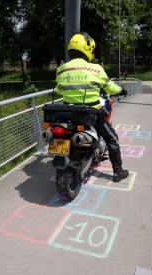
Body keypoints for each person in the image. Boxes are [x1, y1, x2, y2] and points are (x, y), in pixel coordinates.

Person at [55, 31, 129, 182]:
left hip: (68, 114)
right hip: (91, 115)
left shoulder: (61, 70)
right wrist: (121, 89)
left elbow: (58, 90)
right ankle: (118, 172)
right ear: (87, 48)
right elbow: (110, 88)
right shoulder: (95, 69)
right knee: (112, 139)